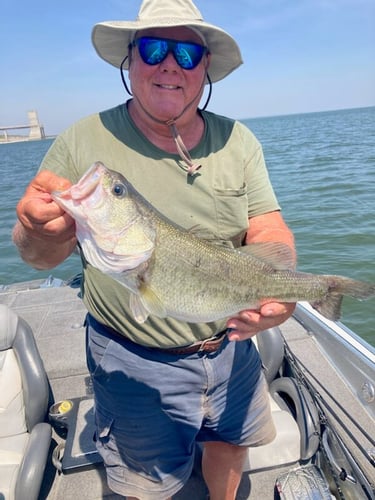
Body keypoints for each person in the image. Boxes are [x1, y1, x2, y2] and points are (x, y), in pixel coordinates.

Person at [13, 1, 296, 499]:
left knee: (230, 447)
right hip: (131, 359)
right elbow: (38, 258)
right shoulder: (83, 140)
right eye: (154, 48)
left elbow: (268, 227)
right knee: (145, 484)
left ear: (205, 66)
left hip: (231, 348)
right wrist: (39, 229)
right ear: (130, 61)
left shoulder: (240, 140)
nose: (170, 64)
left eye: (186, 53)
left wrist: (280, 292)